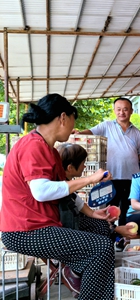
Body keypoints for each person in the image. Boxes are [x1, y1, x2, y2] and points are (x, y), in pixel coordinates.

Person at [0, 94, 115, 300]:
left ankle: (75, 271)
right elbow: (41, 191)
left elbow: (65, 193)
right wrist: (89, 179)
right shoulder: (32, 145)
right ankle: (82, 282)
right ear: (63, 117)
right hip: (26, 231)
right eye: (73, 121)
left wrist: (91, 213)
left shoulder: (49, 149)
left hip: (45, 224)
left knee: (100, 228)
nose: (73, 128)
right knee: (101, 248)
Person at [75, 97, 140, 226]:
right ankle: (111, 235)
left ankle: (124, 238)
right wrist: (78, 132)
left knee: (127, 209)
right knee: (110, 209)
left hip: (132, 178)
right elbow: (91, 131)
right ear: (114, 110)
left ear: (131, 111)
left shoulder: (137, 133)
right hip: (111, 177)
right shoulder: (106, 125)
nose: (122, 112)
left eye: (125, 109)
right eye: (118, 109)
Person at [57, 143, 138, 240]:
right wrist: (116, 230)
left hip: (72, 228)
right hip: (65, 234)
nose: (85, 167)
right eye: (83, 163)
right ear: (70, 168)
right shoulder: (59, 188)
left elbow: (77, 200)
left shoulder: (66, 185)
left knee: (103, 225)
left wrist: (93, 213)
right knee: (104, 241)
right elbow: (71, 224)